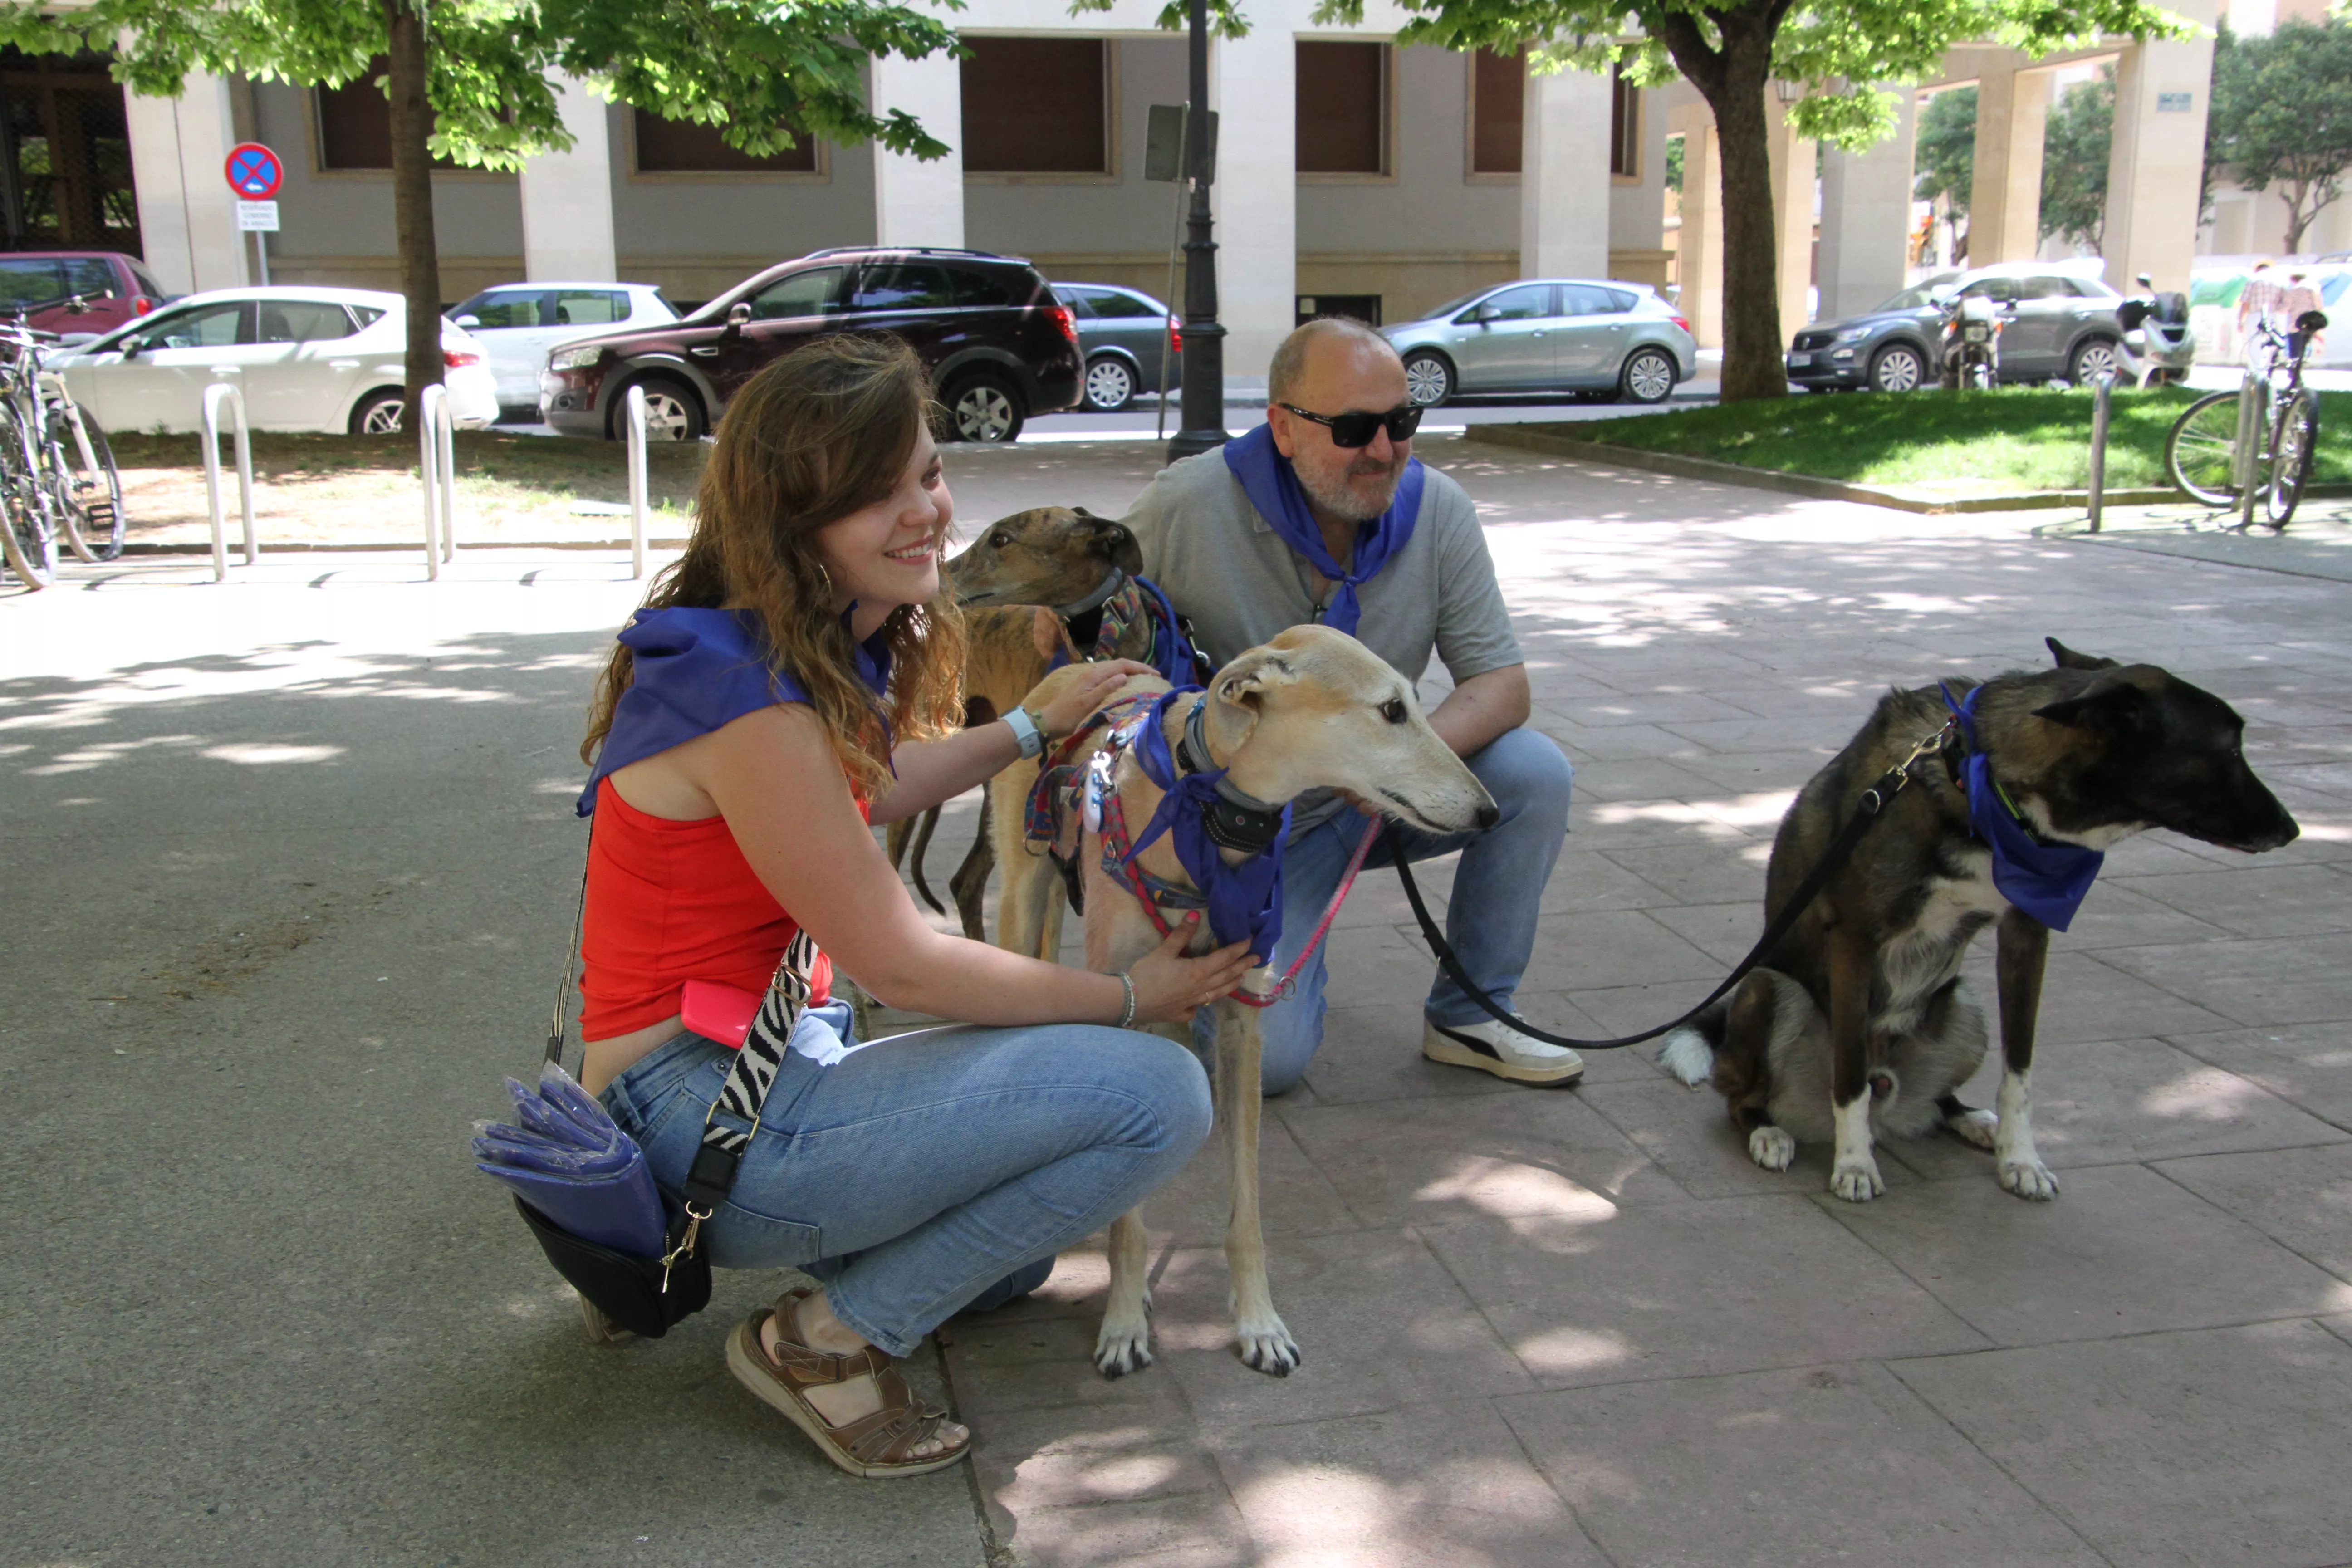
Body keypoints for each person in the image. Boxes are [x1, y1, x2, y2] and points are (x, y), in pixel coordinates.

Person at [574, 336, 1255, 1479]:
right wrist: (1135, 995)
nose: (927, 512)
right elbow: (909, 968)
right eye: (878, 492)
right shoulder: (752, 704)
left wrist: (1032, 725)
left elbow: (863, 795)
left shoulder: (763, 647)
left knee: (1010, 1263)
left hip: (739, 1077)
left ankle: (853, 1267)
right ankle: (820, 1343)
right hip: (702, 1126)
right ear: (797, 518)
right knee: (1157, 1100)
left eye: (929, 474)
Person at [1121, 317, 1578, 1095]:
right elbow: (1107, 646)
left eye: (1401, 422)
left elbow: (1503, 685)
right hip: (1241, 829)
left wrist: (1382, 765)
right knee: (1269, 1068)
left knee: (1533, 773)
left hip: (1365, 803)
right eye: (1355, 428)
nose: (1384, 449)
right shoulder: (1189, 502)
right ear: (1283, 428)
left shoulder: (1437, 510)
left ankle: (1471, 1013)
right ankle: (1196, 980)